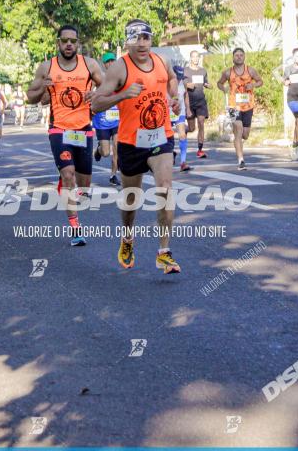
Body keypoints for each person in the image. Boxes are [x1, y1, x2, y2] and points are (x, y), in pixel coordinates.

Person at [91, 19, 182, 274]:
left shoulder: (162, 61)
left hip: (160, 136)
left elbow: (172, 79)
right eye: (135, 38)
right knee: (131, 201)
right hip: (131, 142)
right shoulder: (119, 69)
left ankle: (164, 252)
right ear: (127, 42)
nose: (141, 43)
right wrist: (122, 95)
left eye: (145, 37)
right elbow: (95, 105)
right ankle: (128, 237)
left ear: (151, 40)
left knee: (165, 188)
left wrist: (174, 98)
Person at [27, 25, 104, 246]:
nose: (69, 44)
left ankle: (66, 181)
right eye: (64, 40)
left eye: (73, 41)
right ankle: (75, 228)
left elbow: (108, 86)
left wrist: (96, 94)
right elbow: (31, 97)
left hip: (83, 129)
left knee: (84, 186)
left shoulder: (89, 64)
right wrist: (42, 86)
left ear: (78, 43)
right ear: (58, 43)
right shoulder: (46, 67)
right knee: (69, 174)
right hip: (59, 128)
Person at [218, 48, 263, 170]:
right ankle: (241, 160)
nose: (239, 57)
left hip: (248, 105)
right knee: (238, 130)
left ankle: (238, 140)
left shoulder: (251, 70)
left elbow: (260, 82)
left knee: (245, 134)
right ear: (233, 57)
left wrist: (253, 84)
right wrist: (224, 89)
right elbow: (219, 83)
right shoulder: (228, 72)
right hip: (234, 105)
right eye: (236, 55)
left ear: (244, 57)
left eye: (241, 55)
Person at [92, 52, 122, 186]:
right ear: (104, 64)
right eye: (107, 61)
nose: (110, 63)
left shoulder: (120, 79)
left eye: (112, 61)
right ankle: (98, 150)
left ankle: (113, 175)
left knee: (117, 147)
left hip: (116, 120)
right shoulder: (99, 79)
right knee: (105, 152)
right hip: (102, 122)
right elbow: (90, 93)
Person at [183, 50, 211, 158]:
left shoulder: (203, 71)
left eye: (197, 57)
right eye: (193, 57)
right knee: (191, 128)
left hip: (201, 102)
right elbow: (182, 84)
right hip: (190, 102)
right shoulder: (185, 71)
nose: (195, 59)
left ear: (199, 58)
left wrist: (208, 85)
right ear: (190, 58)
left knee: (201, 123)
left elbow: (205, 82)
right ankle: (183, 131)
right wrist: (188, 85)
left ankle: (200, 150)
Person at [171, 66, 192, 172]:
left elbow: (186, 95)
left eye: (180, 77)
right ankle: (171, 153)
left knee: (182, 135)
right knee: (167, 138)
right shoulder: (166, 82)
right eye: (177, 77)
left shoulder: (183, 83)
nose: (179, 79)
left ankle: (183, 162)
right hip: (168, 113)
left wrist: (188, 109)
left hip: (180, 112)